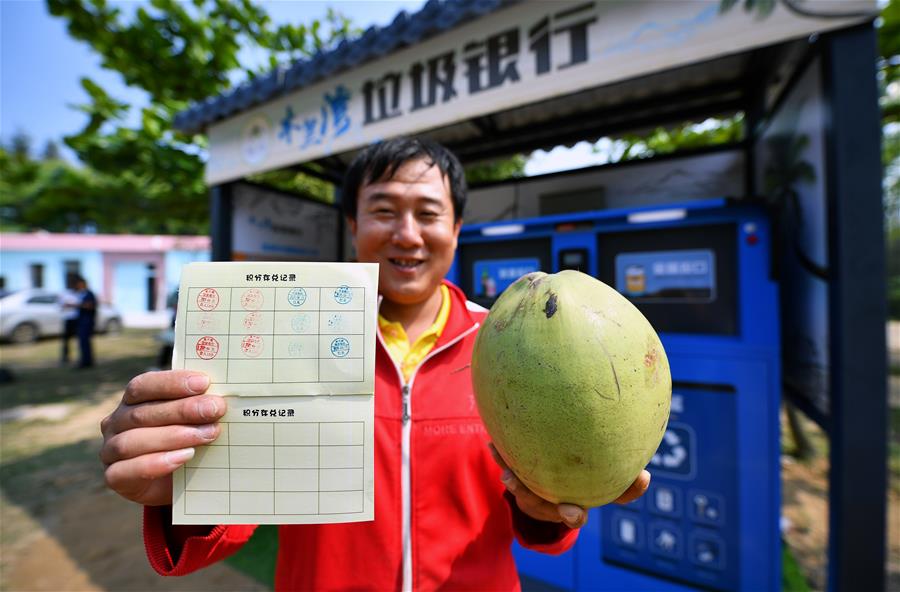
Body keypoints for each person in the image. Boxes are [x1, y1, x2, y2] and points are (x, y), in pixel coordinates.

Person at [99, 138, 650, 590]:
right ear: (353, 226)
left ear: (456, 230)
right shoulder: (288, 341)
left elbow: (539, 520)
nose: (406, 234)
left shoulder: (509, 345)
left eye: (428, 214)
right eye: (383, 211)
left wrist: (549, 503)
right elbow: (233, 512)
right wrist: (181, 486)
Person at [72, 276, 96, 369]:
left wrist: (76, 305)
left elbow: (90, 305)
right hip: (81, 322)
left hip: (87, 322)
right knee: (82, 342)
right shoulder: (81, 294)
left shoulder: (89, 294)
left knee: (85, 342)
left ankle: (87, 362)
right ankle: (85, 360)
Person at [59, 274, 79, 366]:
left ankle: (80, 357)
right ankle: (65, 357)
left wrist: (73, 305)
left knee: (79, 340)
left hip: (77, 319)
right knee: (66, 340)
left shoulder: (78, 293)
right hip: (68, 319)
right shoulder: (65, 293)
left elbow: (79, 304)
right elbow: (62, 305)